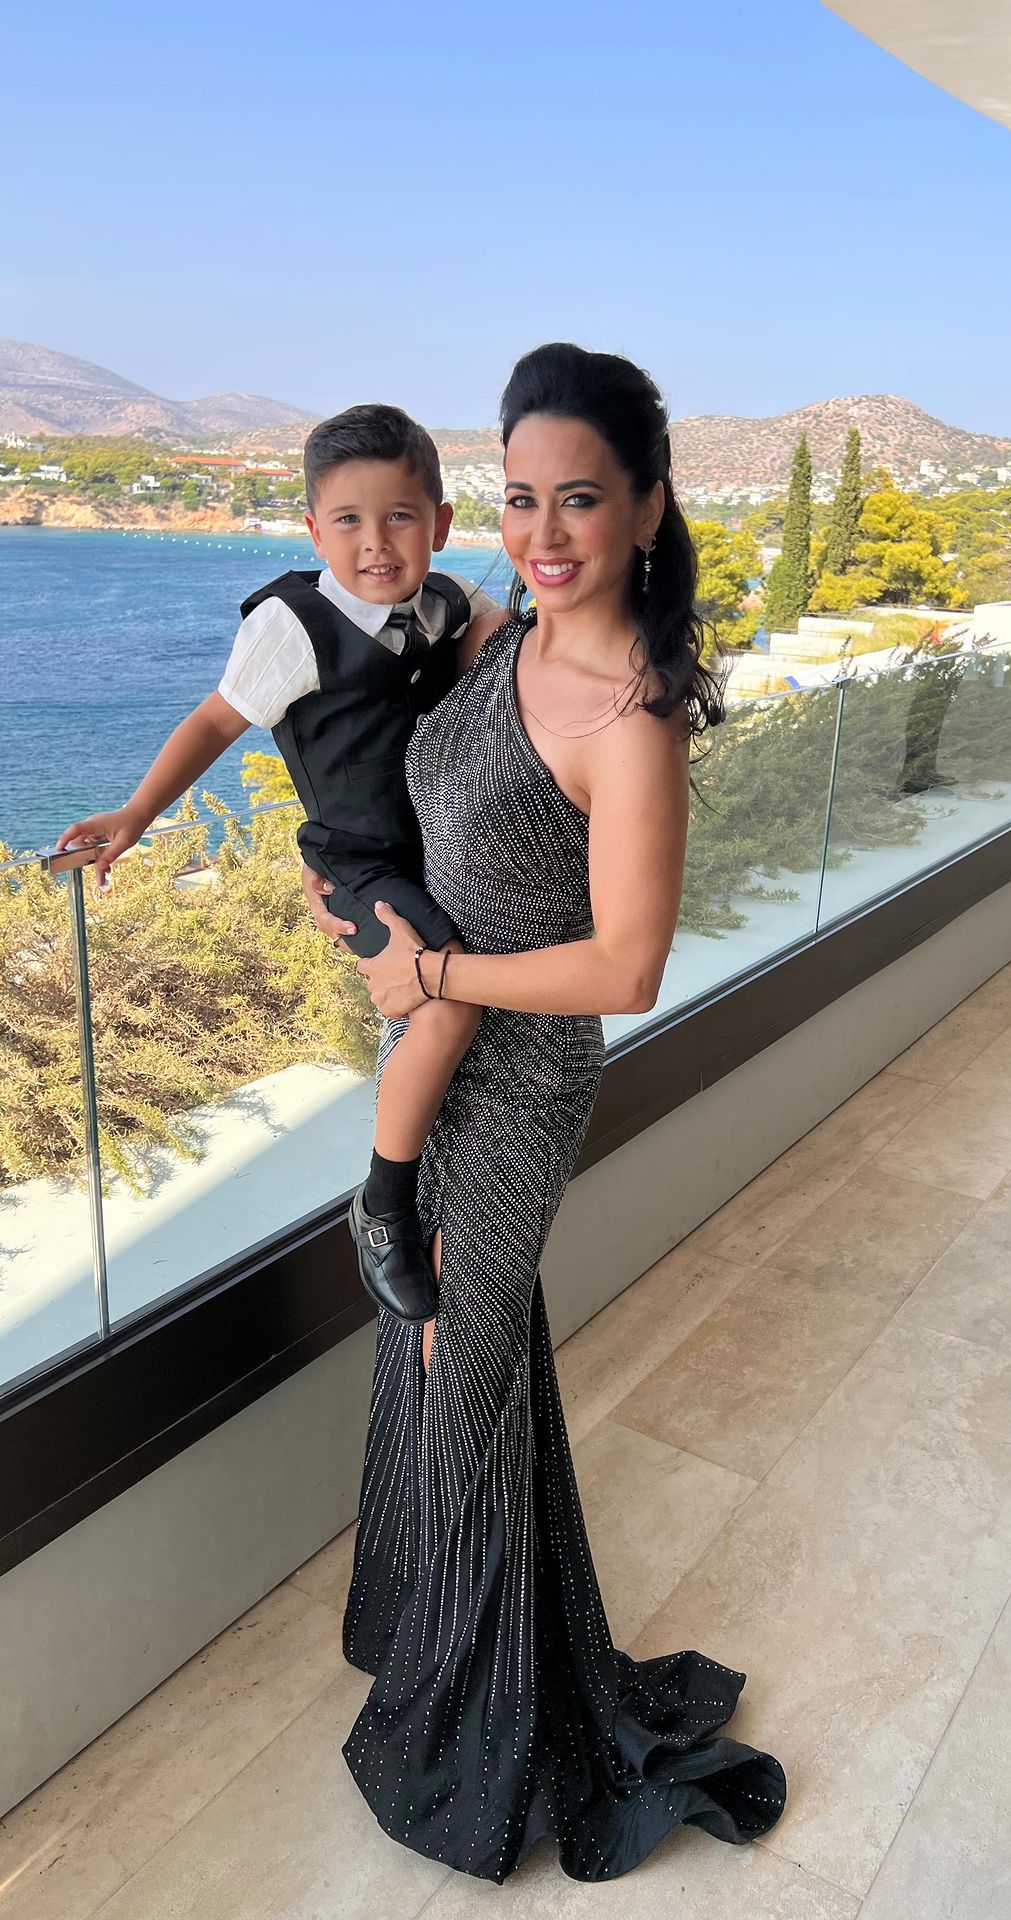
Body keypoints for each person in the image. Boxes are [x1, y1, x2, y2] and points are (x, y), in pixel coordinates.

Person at [304, 343, 786, 1883]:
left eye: (579, 498)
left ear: (646, 506)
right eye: (519, 497)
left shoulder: (630, 715)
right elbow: (379, 761)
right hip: (435, 1043)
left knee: (459, 1365)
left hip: (517, 1086)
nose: (544, 530)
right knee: (442, 1357)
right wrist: (350, 887)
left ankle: (481, 1734)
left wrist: (434, 968)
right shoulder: (494, 631)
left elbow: (626, 967)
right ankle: (439, 1638)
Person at [58, 404, 501, 1322]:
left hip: (444, 844)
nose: (375, 542)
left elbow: (502, 650)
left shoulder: (449, 601)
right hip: (358, 865)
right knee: (450, 999)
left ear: (441, 523)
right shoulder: (292, 627)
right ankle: (384, 1205)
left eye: (400, 517)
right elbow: (215, 721)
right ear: (313, 529)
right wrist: (137, 816)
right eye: (348, 520)